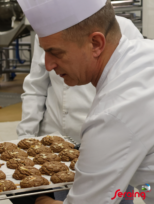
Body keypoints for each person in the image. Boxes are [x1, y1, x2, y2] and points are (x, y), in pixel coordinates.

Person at [16, 0, 154, 203]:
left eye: (56, 52)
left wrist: (38, 200)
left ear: (96, 43)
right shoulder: (144, 53)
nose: (48, 65)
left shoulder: (113, 114)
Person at [17, 16, 143, 143]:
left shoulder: (123, 28)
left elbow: (137, 92)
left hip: (102, 137)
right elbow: (36, 87)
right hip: (53, 134)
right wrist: (25, 136)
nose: (49, 65)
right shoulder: (47, 30)